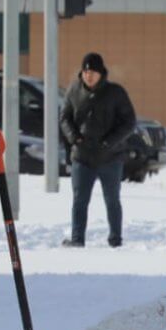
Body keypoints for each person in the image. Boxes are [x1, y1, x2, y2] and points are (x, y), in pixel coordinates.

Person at [59, 53, 136, 248]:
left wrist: (109, 142)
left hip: (110, 157)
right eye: (85, 72)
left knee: (112, 199)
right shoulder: (74, 90)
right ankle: (77, 238)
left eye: (92, 72)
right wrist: (74, 137)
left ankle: (115, 239)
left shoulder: (115, 93)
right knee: (79, 200)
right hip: (82, 156)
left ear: (101, 73)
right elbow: (64, 118)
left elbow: (129, 122)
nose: (88, 76)